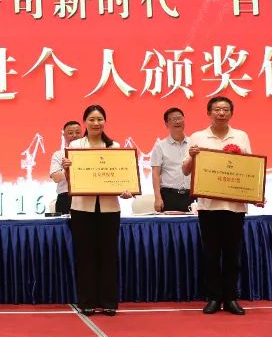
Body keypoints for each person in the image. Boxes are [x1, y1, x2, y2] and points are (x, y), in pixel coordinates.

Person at [53, 104, 133, 316]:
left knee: (108, 255)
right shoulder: (75, 146)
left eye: (99, 119)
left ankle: (109, 301)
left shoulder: (114, 147)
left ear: (105, 121)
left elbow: (122, 178)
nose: (96, 123)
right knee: (85, 255)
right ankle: (87, 301)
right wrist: (68, 169)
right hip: (82, 208)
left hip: (109, 208)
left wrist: (127, 190)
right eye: (92, 119)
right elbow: (71, 180)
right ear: (85, 122)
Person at [182, 95, 256, 316]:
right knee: (211, 254)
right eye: (217, 109)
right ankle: (213, 298)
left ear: (231, 113)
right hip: (208, 206)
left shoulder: (241, 136)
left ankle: (231, 298)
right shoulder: (198, 137)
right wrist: (191, 157)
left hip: (235, 206)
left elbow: (250, 168)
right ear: (209, 113)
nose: (221, 113)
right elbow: (185, 170)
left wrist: (255, 194)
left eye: (225, 109)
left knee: (233, 255)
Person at [150, 107, 193, 213]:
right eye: (173, 119)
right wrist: (157, 198)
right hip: (169, 195)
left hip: (192, 195)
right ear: (166, 124)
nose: (177, 121)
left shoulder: (194, 143)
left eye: (180, 118)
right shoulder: (160, 146)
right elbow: (155, 174)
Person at [49, 120, 84, 215]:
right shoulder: (58, 155)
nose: (74, 135)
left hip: (86, 197)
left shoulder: (89, 153)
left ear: (82, 135)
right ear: (64, 135)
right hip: (65, 197)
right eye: (70, 133)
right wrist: (66, 169)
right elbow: (56, 178)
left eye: (77, 132)